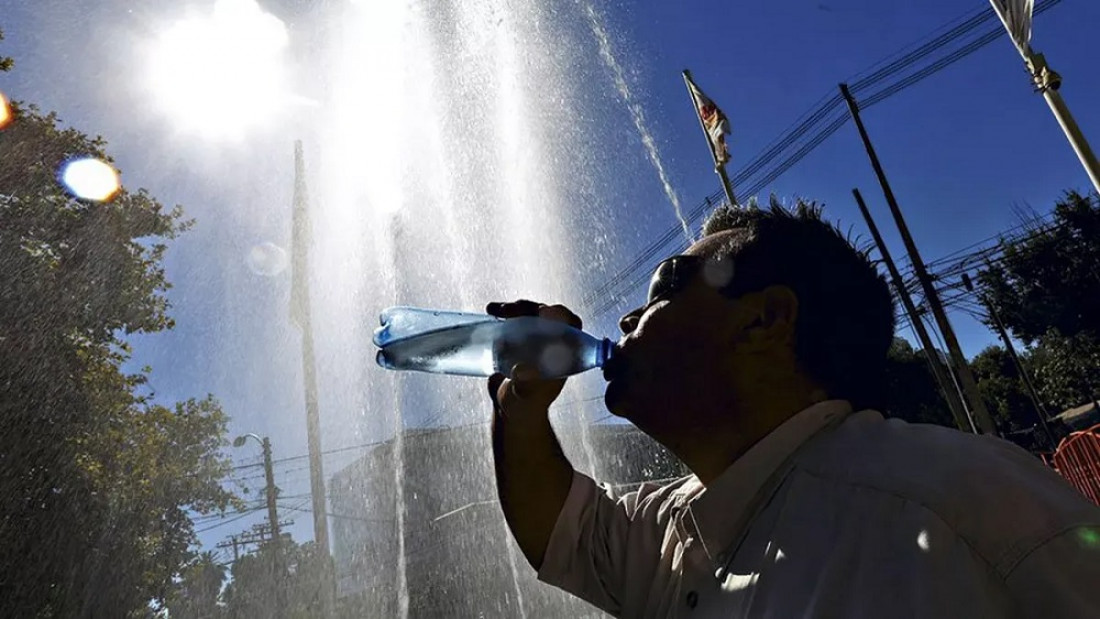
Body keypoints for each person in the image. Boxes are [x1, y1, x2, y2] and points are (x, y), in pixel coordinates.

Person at [486, 199, 1100, 618]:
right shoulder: (681, 524)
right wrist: (519, 407)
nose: (627, 318)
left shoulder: (959, 497)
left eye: (667, 284)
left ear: (765, 320)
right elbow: (563, 531)